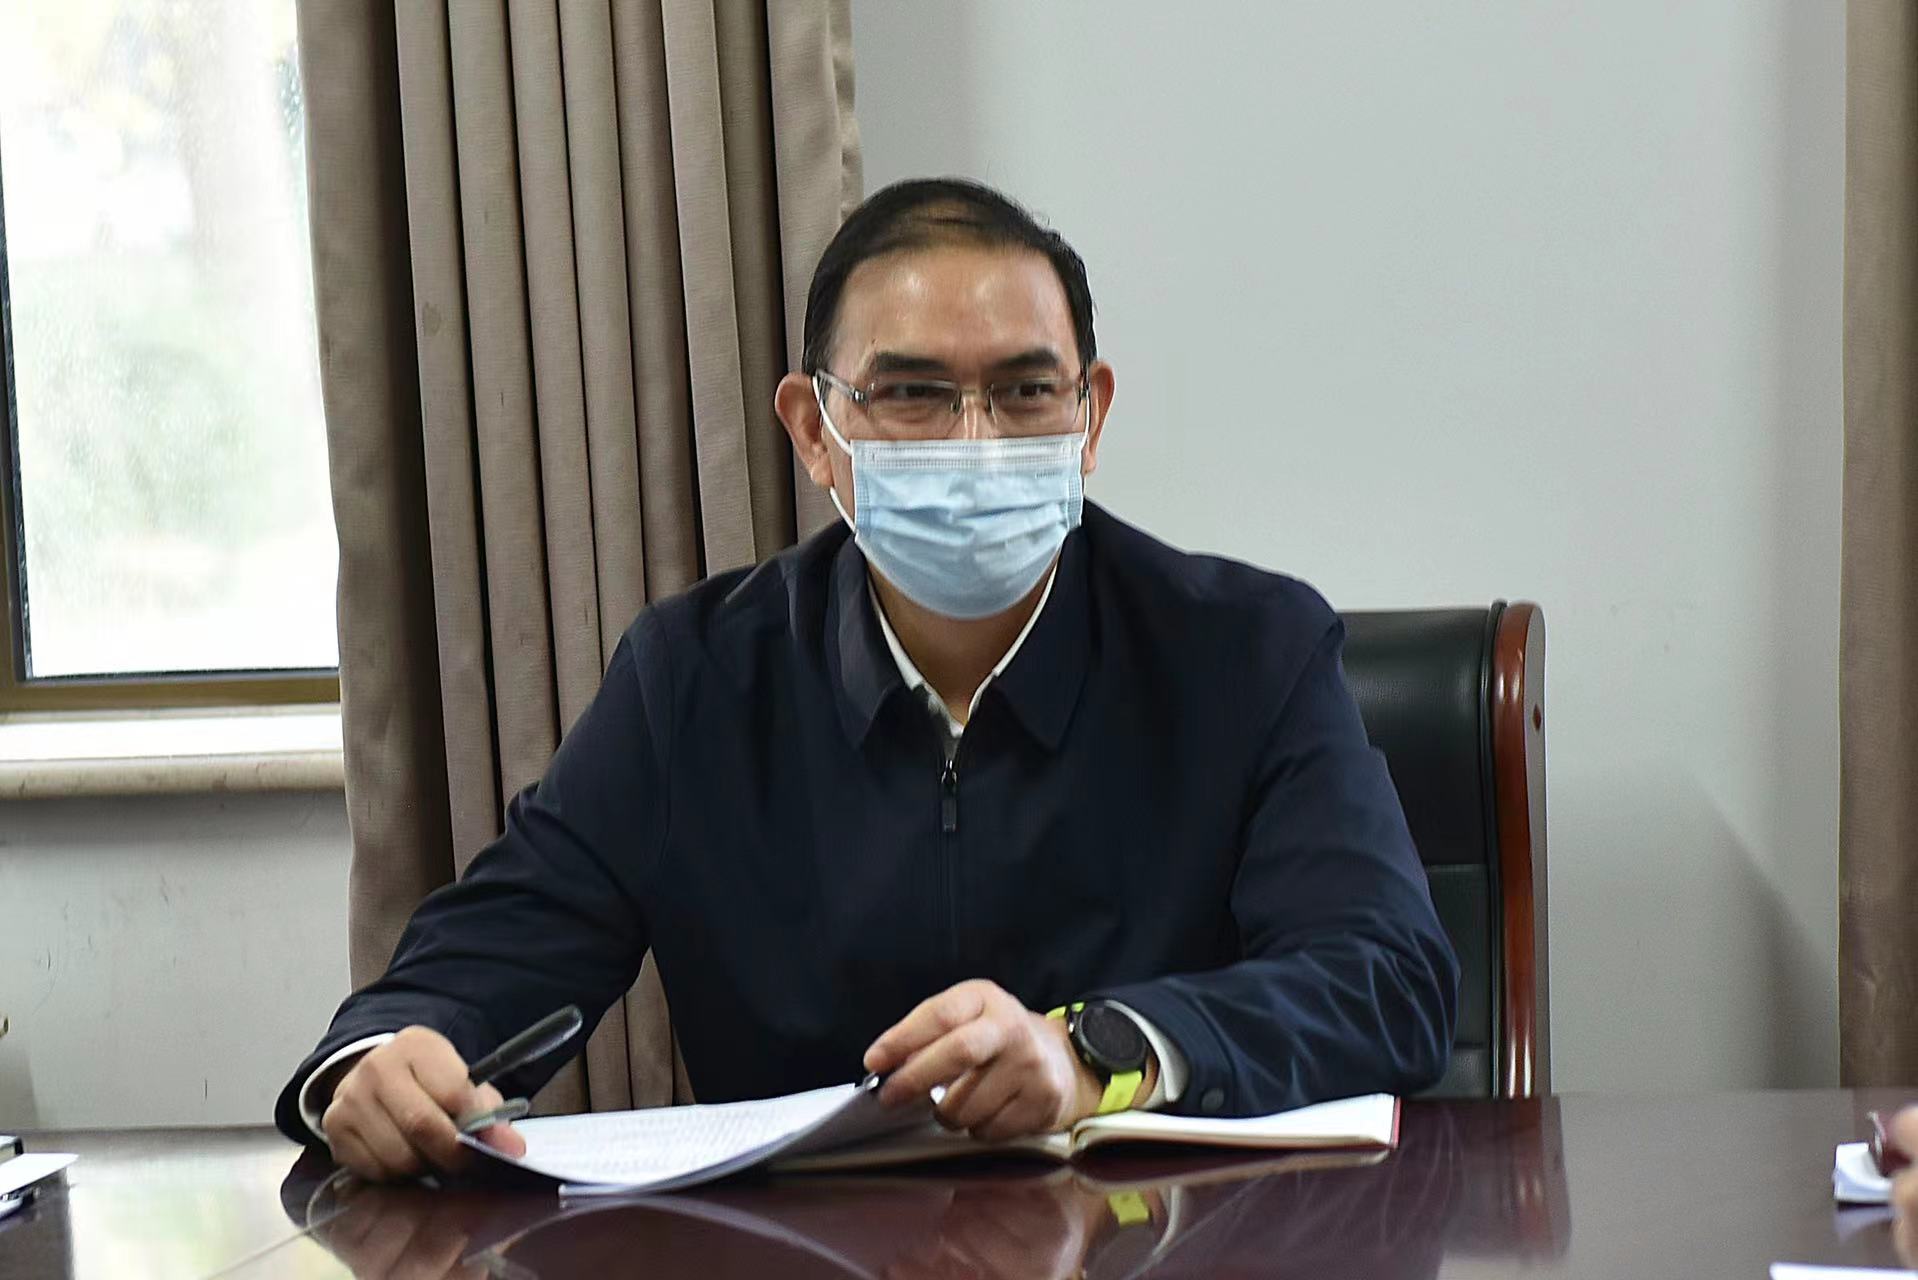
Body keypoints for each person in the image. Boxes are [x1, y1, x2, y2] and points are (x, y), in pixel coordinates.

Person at [278, 177, 1459, 1182]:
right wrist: (383, 1060)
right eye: (911, 393)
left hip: (1161, 1243)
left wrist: (1096, 1053)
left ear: (1089, 416)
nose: (975, 440)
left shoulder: (1247, 653)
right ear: (812, 429)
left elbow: (1387, 978)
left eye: (1024, 390)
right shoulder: (694, 680)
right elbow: (486, 953)